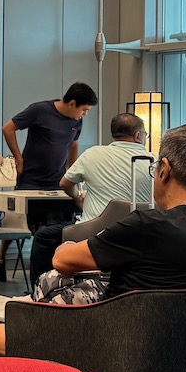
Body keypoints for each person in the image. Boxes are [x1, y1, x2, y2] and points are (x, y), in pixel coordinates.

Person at [0, 121, 186, 357]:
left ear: (164, 170)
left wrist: (72, 245)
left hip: (119, 354)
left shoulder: (146, 226)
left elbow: (62, 260)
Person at [28, 113, 152, 279]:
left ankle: (43, 291)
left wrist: (79, 197)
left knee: (43, 237)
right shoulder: (155, 161)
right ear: (138, 136)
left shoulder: (93, 154)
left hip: (94, 232)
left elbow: (65, 183)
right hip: (141, 232)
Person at [0, 83, 98, 279]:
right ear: (72, 103)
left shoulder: (76, 121)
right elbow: (8, 128)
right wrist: (18, 158)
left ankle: (51, 270)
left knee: (55, 226)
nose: (85, 114)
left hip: (57, 181)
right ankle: (1, 257)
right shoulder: (40, 110)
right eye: (84, 109)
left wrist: (72, 173)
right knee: (20, 220)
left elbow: (73, 145)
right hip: (31, 179)